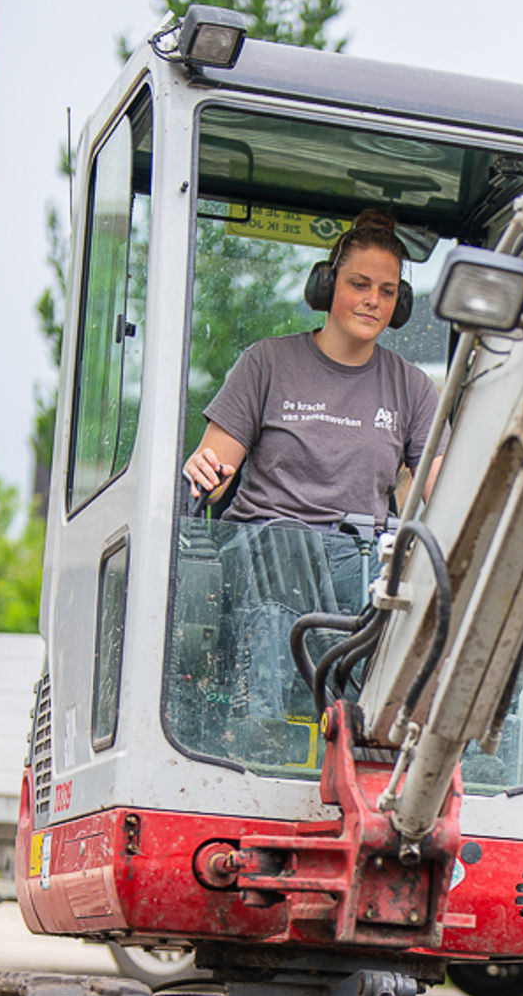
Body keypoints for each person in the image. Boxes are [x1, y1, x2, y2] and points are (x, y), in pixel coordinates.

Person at [178, 212, 444, 742]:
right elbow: (214, 464)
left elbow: (443, 490)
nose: (372, 300)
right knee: (289, 549)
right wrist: (202, 467)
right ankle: (260, 724)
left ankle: (393, 732)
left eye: (387, 291)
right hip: (263, 550)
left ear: (400, 305)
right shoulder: (267, 363)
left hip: (357, 561)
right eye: (359, 284)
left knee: (402, 576)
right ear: (328, 287)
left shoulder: (412, 388)